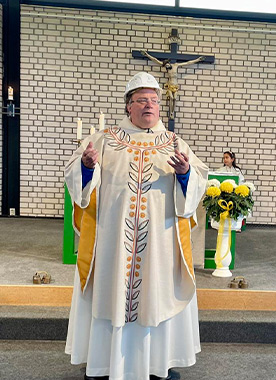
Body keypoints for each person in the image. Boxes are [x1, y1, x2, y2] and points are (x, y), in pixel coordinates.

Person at [64, 72, 208, 380]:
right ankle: (104, 364)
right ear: (128, 106)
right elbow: (77, 181)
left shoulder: (174, 144)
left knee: (156, 296)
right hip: (111, 245)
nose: (150, 106)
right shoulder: (103, 140)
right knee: (109, 294)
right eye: (142, 100)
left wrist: (185, 175)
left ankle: (156, 365)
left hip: (160, 245)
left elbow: (197, 184)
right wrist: (87, 167)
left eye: (154, 101)